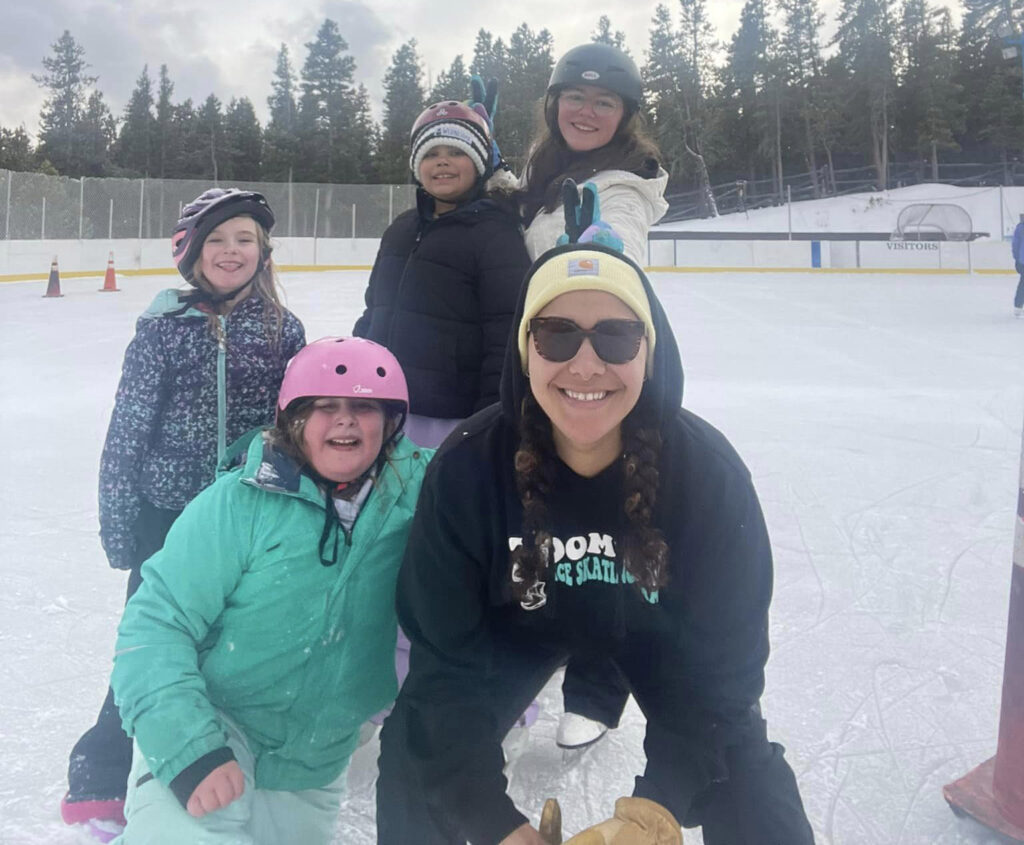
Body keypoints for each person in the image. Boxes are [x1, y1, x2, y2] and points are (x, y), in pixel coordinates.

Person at [375, 243, 815, 845]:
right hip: (516, 631)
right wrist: (491, 823)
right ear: (524, 348)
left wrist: (654, 810)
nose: (584, 366)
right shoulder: (467, 470)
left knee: (749, 781)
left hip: (656, 633)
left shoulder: (708, 477)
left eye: (616, 337)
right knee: (411, 754)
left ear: (650, 352)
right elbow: (443, 673)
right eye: (556, 335)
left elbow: (722, 682)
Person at [109, 337, 432, 844]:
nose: (345, 420)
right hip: (213, 725)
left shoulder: (418, 495)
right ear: (293, 420)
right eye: (324, 406)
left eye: (364, 406)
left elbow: (493, 480)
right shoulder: (238, 504)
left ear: (390, 423)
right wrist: (189, 746)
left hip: (315, 757)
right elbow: (154, 625)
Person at [61, 188, 306, 837]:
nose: (233, 251)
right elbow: (127, 432)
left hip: (243, 516)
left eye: (245, 239)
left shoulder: (284, 328)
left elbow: (292, 427)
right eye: (218, 240)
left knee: (235, 643)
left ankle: (225, 755)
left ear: (264, 252)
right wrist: (121, 528)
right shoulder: (163, 328)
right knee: (152, 645)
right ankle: (101, 766)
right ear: (192, 253)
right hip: (165, 519)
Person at [516, 42, 670, 749]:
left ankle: (599, 685)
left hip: (600, 366)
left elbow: (626, 249)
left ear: (625, 116)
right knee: (538, 512)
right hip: (546, 359)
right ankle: (526, 655)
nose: (586, 111)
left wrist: (605, 249)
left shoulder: (624, 183)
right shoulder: (548, 172)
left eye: (603, 102)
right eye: (574, 98)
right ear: (554, 105)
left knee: (605, 524)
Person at [354, 98, 531, 449]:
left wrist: (489, 420)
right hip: (384, 404)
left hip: (452, 419)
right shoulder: (401, 229)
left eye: (457, 152)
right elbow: (374, 311)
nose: (443, 161)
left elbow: (506, 336)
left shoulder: (496, 234)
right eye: (432, 153)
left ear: (480, 163)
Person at [1012, 212, 1024, 318]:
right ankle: (1018, 306)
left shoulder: (1020, 228)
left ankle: (1018, 306)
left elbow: (1015, 245)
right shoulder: (1020, 228)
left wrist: (1017, 258)